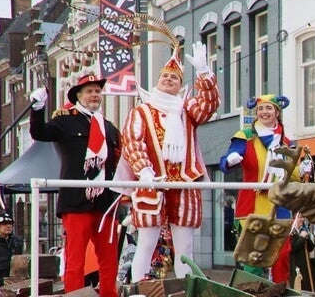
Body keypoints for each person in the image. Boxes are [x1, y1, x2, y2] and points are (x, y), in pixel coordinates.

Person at [122, 44, 218, 282]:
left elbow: (208, 107)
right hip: (152, 183)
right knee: (146, 243)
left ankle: (186, 292)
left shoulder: (187, 110)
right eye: (165, 76)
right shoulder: (142, 111)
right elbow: (133, 141)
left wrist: (205, 73)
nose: (168, 79)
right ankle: (139, 292)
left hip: (185, 183)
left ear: (180, 85)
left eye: (174, 77)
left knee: (185, 248)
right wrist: (143, 169)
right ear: (157, 81)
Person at [29, 74, 122, 297]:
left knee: (109, 259)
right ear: (78, 96)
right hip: (76, 199)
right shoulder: (65, 121)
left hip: (105, 202)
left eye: (97, 91)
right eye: (89, 91)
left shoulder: (108, 127)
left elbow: (118, 160)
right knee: (76, 258)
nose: (94, 95)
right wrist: (38, 108)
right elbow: (39, 133)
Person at [219, 93, 292, 280]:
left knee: (282, 255)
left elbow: (294, 173)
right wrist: (230, 159)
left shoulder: (286, 142)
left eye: (268, 108)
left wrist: (303, 169)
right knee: (253, 258)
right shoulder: (245, 136)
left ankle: (281, 294)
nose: (264, 112)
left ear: (277, 113)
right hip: (251, 205)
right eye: (260, 109)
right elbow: (226, 162)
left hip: (280, 206)